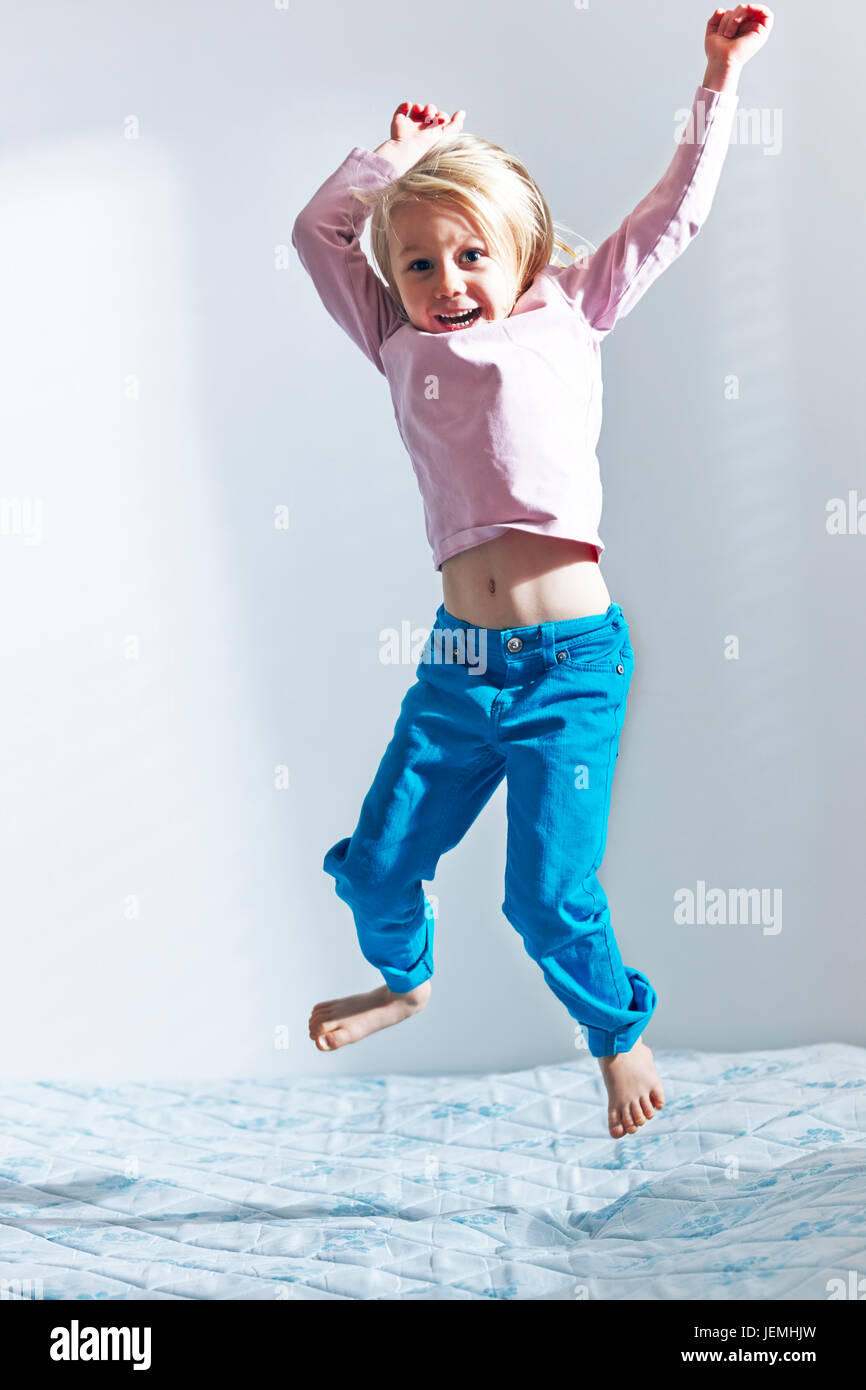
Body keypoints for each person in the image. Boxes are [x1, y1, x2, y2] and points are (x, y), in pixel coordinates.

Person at [292, 6, 774, 1138]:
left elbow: (677, 214)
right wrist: (395, 159)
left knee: (543, 896)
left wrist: (717, 80)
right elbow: (321, 231)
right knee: (373, 867)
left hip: (568, 667)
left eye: (469, 255)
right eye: (418, 262)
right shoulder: (395, 340)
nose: (445, 280)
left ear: (521, 252)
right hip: (458, 664)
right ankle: (403, 982)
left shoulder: (570, 308)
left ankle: (615, 1034)